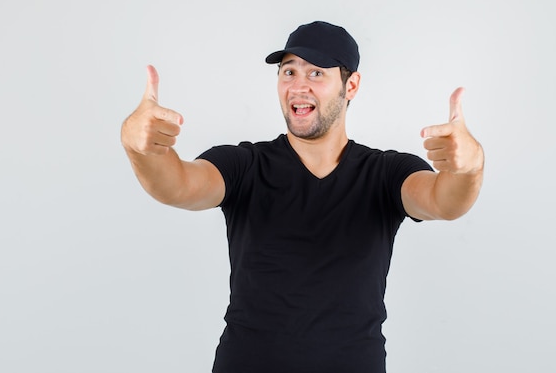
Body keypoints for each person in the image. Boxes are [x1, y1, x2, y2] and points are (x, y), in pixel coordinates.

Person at [121, 21, 484, 373]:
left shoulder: (384, 173)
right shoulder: (244, 165)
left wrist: (468, 169)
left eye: (316, 73)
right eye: (289, 72)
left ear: (351, 85)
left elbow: (443, 201)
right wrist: (144, 150)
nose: (298, 86)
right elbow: (178, 185)